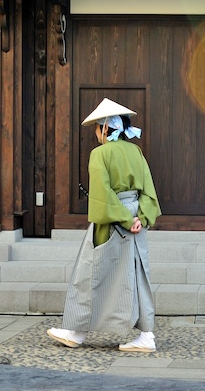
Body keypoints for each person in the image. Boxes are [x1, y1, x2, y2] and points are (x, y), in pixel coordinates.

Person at [47, 98, 162, 352]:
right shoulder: (136, 152)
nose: (96, 134)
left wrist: (123, 218)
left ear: (106, 129)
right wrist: (140, 218)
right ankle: (146, 335)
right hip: (135, 220)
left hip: (114, 220)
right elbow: (149, 191)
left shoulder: (100, 154)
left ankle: (76, 331)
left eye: (98, 129)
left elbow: (102, 193)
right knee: (137, 274)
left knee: (91, 272)